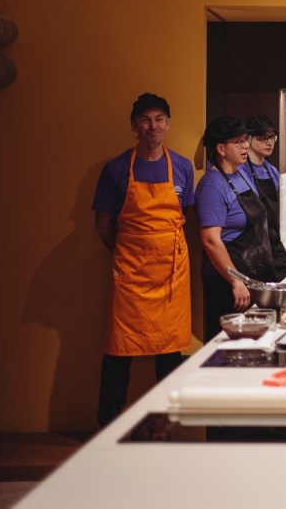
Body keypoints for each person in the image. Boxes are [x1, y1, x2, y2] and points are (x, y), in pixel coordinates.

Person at [91, 92, 193, 427]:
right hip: (131, 272)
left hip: (171, 272)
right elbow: (103, 226)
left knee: (170, 350)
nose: (153, 125)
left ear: (168, 123)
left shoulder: (181, 166)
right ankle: (108, 424)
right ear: (134, 125)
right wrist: (127, 255)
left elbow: (184, 217)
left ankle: (167, 423)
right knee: (119, 349)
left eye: (159, 118)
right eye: (146, 119)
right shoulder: (116, 169)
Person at [195, 116, 272, 340]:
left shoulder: (242, 175)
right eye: (238, 141)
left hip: (254, 279)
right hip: (229, 285)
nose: (245, 145)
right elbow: (211, 240)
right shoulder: (212, 186)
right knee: (229, 349)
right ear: (221, 148)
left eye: (246, 139)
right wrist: (236, 281)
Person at [244, 114, 286, 281]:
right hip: (252, 246)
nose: (269, 142)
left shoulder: (271, 171)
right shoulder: (241, 171)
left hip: (273, 242)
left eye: (272, 137)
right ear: (248, 138)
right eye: (263, 137)